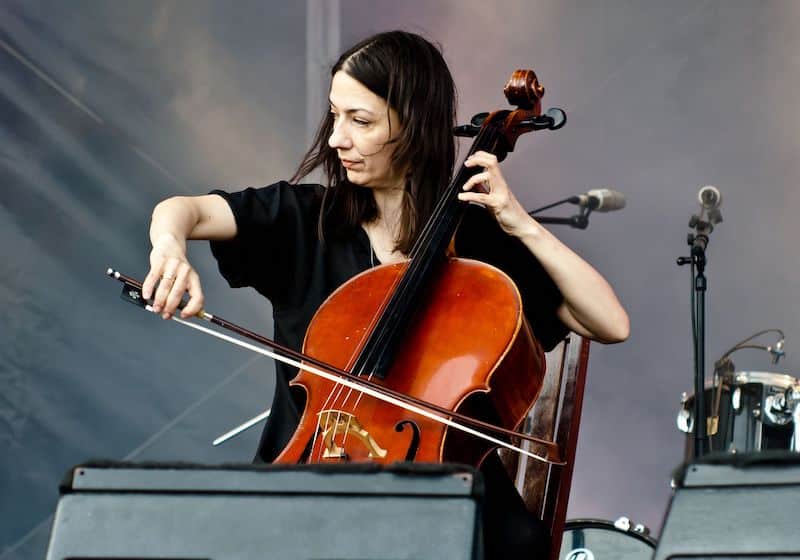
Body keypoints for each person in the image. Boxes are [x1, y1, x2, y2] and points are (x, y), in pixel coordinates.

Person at [142, 30, 629, 558]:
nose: (336, 139)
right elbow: (183, 209)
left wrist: (519, 225)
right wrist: (169, 248)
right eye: (336, 116)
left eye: (362, 121)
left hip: (440, 502)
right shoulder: (307, 222)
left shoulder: (480, 253)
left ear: (414, 126)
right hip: (300, 481)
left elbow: (609, 323)